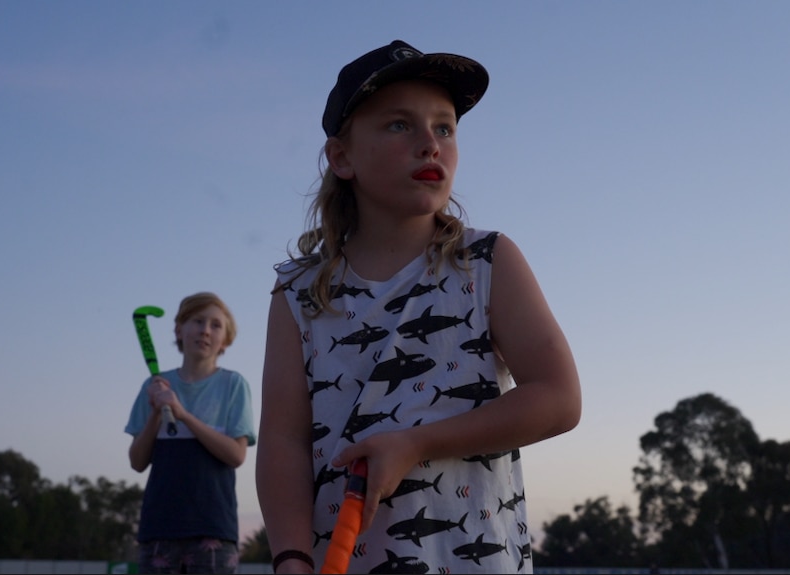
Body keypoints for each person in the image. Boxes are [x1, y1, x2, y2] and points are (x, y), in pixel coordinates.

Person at [256, 40, 581, 574]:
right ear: (342, 157)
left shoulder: (487, 260)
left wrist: (416, 444)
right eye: (399, 125)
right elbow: (283, 443)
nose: (430, 144)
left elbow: (560, 398)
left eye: (445, 127)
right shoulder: (297, 291)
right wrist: (290, 558)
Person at [125, 292, 256, 574]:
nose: (205, 331)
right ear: (179, 330)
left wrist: (182, 414)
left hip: (213, 529)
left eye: (216, 325)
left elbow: (236, 455)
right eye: (197, 321)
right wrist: (157, 413)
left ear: (226, 339)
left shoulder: (233, 385)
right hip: (158, 528)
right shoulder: (154, 386)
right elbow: (137, 462)